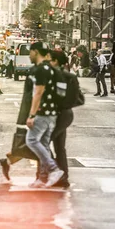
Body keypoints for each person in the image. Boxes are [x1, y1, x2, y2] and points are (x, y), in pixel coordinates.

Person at [25, 42, 63, 189]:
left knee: (31, 140)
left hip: (43, 111)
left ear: (36, 52)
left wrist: (31, 115)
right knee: (45, 145)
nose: (29, 55)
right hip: (52, 112)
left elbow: (38, 93)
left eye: (30, 52)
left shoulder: (40, 70)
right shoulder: (50, 69)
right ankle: (42, 178)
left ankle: (53, 169)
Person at [49, 50, 76, 189]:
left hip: (59, 114)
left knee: (43, 143)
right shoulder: (69, 76)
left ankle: (57, 174)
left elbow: (58, 95)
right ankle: (63, 176)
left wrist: (61, 105)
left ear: (56, 61)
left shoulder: (58, 75)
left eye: (50, 59)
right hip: (65, 114)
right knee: (60, 147)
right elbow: (79, 99)